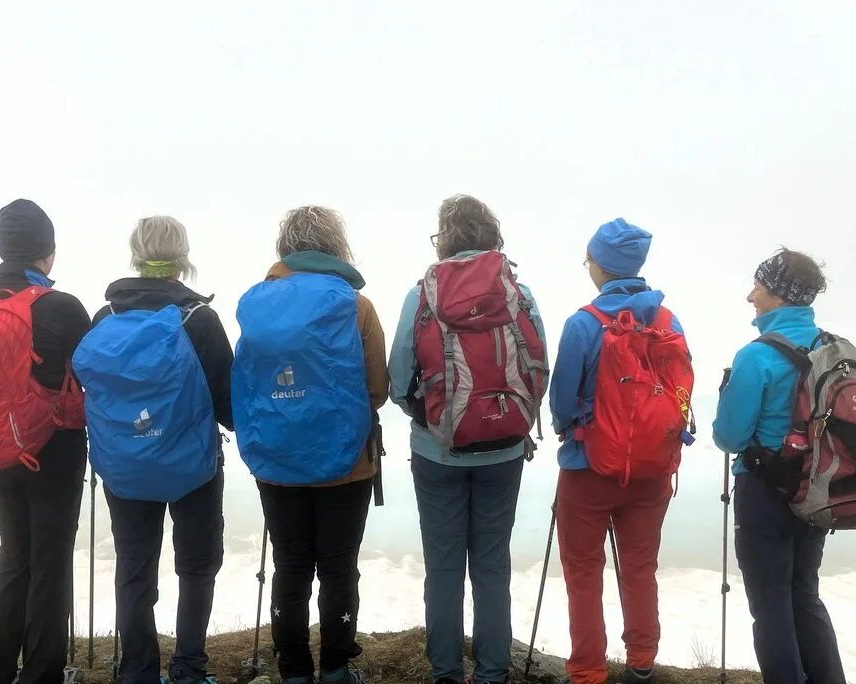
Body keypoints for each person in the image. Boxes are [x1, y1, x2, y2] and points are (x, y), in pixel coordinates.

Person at [388, 194, 549, 684]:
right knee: (491, 564)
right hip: (504, 450)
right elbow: (539, 369)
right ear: (491, 235)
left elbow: (397, 379)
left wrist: (429, 416)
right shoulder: (518, 293)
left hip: (438, 451)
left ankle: (445, 672)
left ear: (445, 238)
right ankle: (493, 673)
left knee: (443, 567)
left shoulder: (421, 296)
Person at [231, 206, 389, 684]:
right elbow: (377, 387)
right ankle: (337, 669)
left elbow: (247, 382)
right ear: (334, 247)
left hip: (276, 459)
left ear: (287, 248)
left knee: (291, 564)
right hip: (347, 463)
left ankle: (294, 672)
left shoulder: (257, 303)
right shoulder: (355, 306)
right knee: (339, 566)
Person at [79, 216, 234, 684]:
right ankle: (188, 669)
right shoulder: (198, 319)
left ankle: (138, 673)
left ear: (136, 255)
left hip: (124, 469)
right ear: (182, 258)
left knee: (134, 568)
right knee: (196, 565)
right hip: (193, 469)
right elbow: (227, 406)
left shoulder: (105, 318)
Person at [547, 219, 690, 684]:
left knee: (584, 572)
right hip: (652, 470)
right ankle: (642, 664)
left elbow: (562, 400)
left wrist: (572, 430)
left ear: (600, 265)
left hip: (588, 468)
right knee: (640, 569)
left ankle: (588, 672)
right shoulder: (670, 321)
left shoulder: (584, 322)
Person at [0, 199, 90, 684]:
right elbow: (93, 371)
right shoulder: (61, 307)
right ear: (47, 254)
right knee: (50, 558)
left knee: (14, 551)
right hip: (53, 449)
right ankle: (41, 675)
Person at [712, 248, 846, 684]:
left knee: (770, 603)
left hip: (764, 493)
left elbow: (729, 437)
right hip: (817, 491)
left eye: (760, 287)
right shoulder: (832, 348)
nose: (752, 296)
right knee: (804, 594)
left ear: (780, 295)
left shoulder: (757, 356)